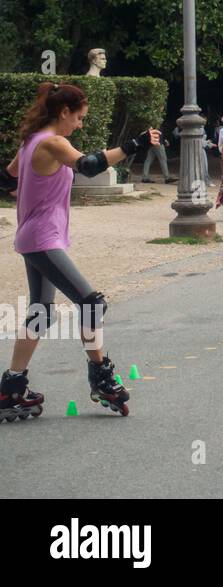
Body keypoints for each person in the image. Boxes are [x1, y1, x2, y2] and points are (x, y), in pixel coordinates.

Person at [0, 83, 157, 421]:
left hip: (34, 237)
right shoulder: (55, 142)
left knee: (40, 313)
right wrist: (134, 144)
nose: (81, 124)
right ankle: (101, 377)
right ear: (64, 113)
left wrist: (21, 188)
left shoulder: (32, 140)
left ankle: (11, 388)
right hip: (42, 239)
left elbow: (8, 175)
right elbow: (87, 165)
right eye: (80, 118)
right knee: (90, 303)